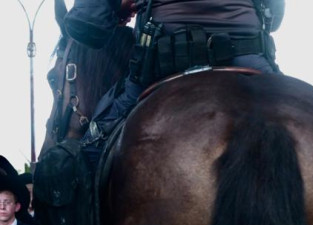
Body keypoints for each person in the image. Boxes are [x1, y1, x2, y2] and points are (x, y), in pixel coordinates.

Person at [64, 0, 284, 168]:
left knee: (91, 150)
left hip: (165, 60)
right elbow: (275, 17)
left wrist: (115, 10)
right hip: (248, 55)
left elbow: (87, 23)